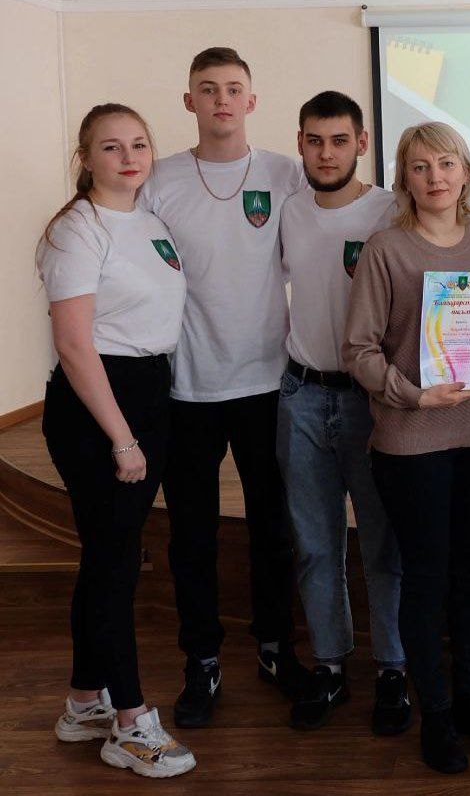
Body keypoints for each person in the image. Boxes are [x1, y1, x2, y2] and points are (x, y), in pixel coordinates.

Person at [343, 122, 470, 775]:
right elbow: (359, 350)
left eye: (446, 163)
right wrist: (414, 397)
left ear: (466, 172)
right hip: (411, 439)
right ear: (405, 177)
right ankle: (438, 715)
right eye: (420, 167)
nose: (435, 177)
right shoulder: (386, 249)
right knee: (426, 578)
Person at [140, 46, 308, 727]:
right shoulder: (159, 179)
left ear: (251, 100)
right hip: (188, 388)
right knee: (193, 537)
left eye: (233, 88)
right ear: (189, 102)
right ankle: (201, 661)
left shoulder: (285, 173)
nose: (221, 100)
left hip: (269, 384)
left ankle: (275, 648)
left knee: (273, 528)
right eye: (207, 89)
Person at [41, 103, 195, 777]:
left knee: (109, 556)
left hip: (149, 393)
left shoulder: (151, 221)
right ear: (86, 158)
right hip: (98, 408)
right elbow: (75, 345)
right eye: (111, 146)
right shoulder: (77, 229)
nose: (129, 157)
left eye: (138, 144)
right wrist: (122, 439)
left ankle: (84, 702)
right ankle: (129, 724)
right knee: (115, 563)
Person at [276, 90, 409, 734]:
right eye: (313, 141)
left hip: (371, 401)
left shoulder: (391, 210)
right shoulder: (287, 211)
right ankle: (329, 663)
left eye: (338, 141)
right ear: (300, 144)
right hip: (301, 395)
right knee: (314, 543)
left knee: (384, 542)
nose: (325, 154)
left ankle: (392, 667)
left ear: (362, 143)